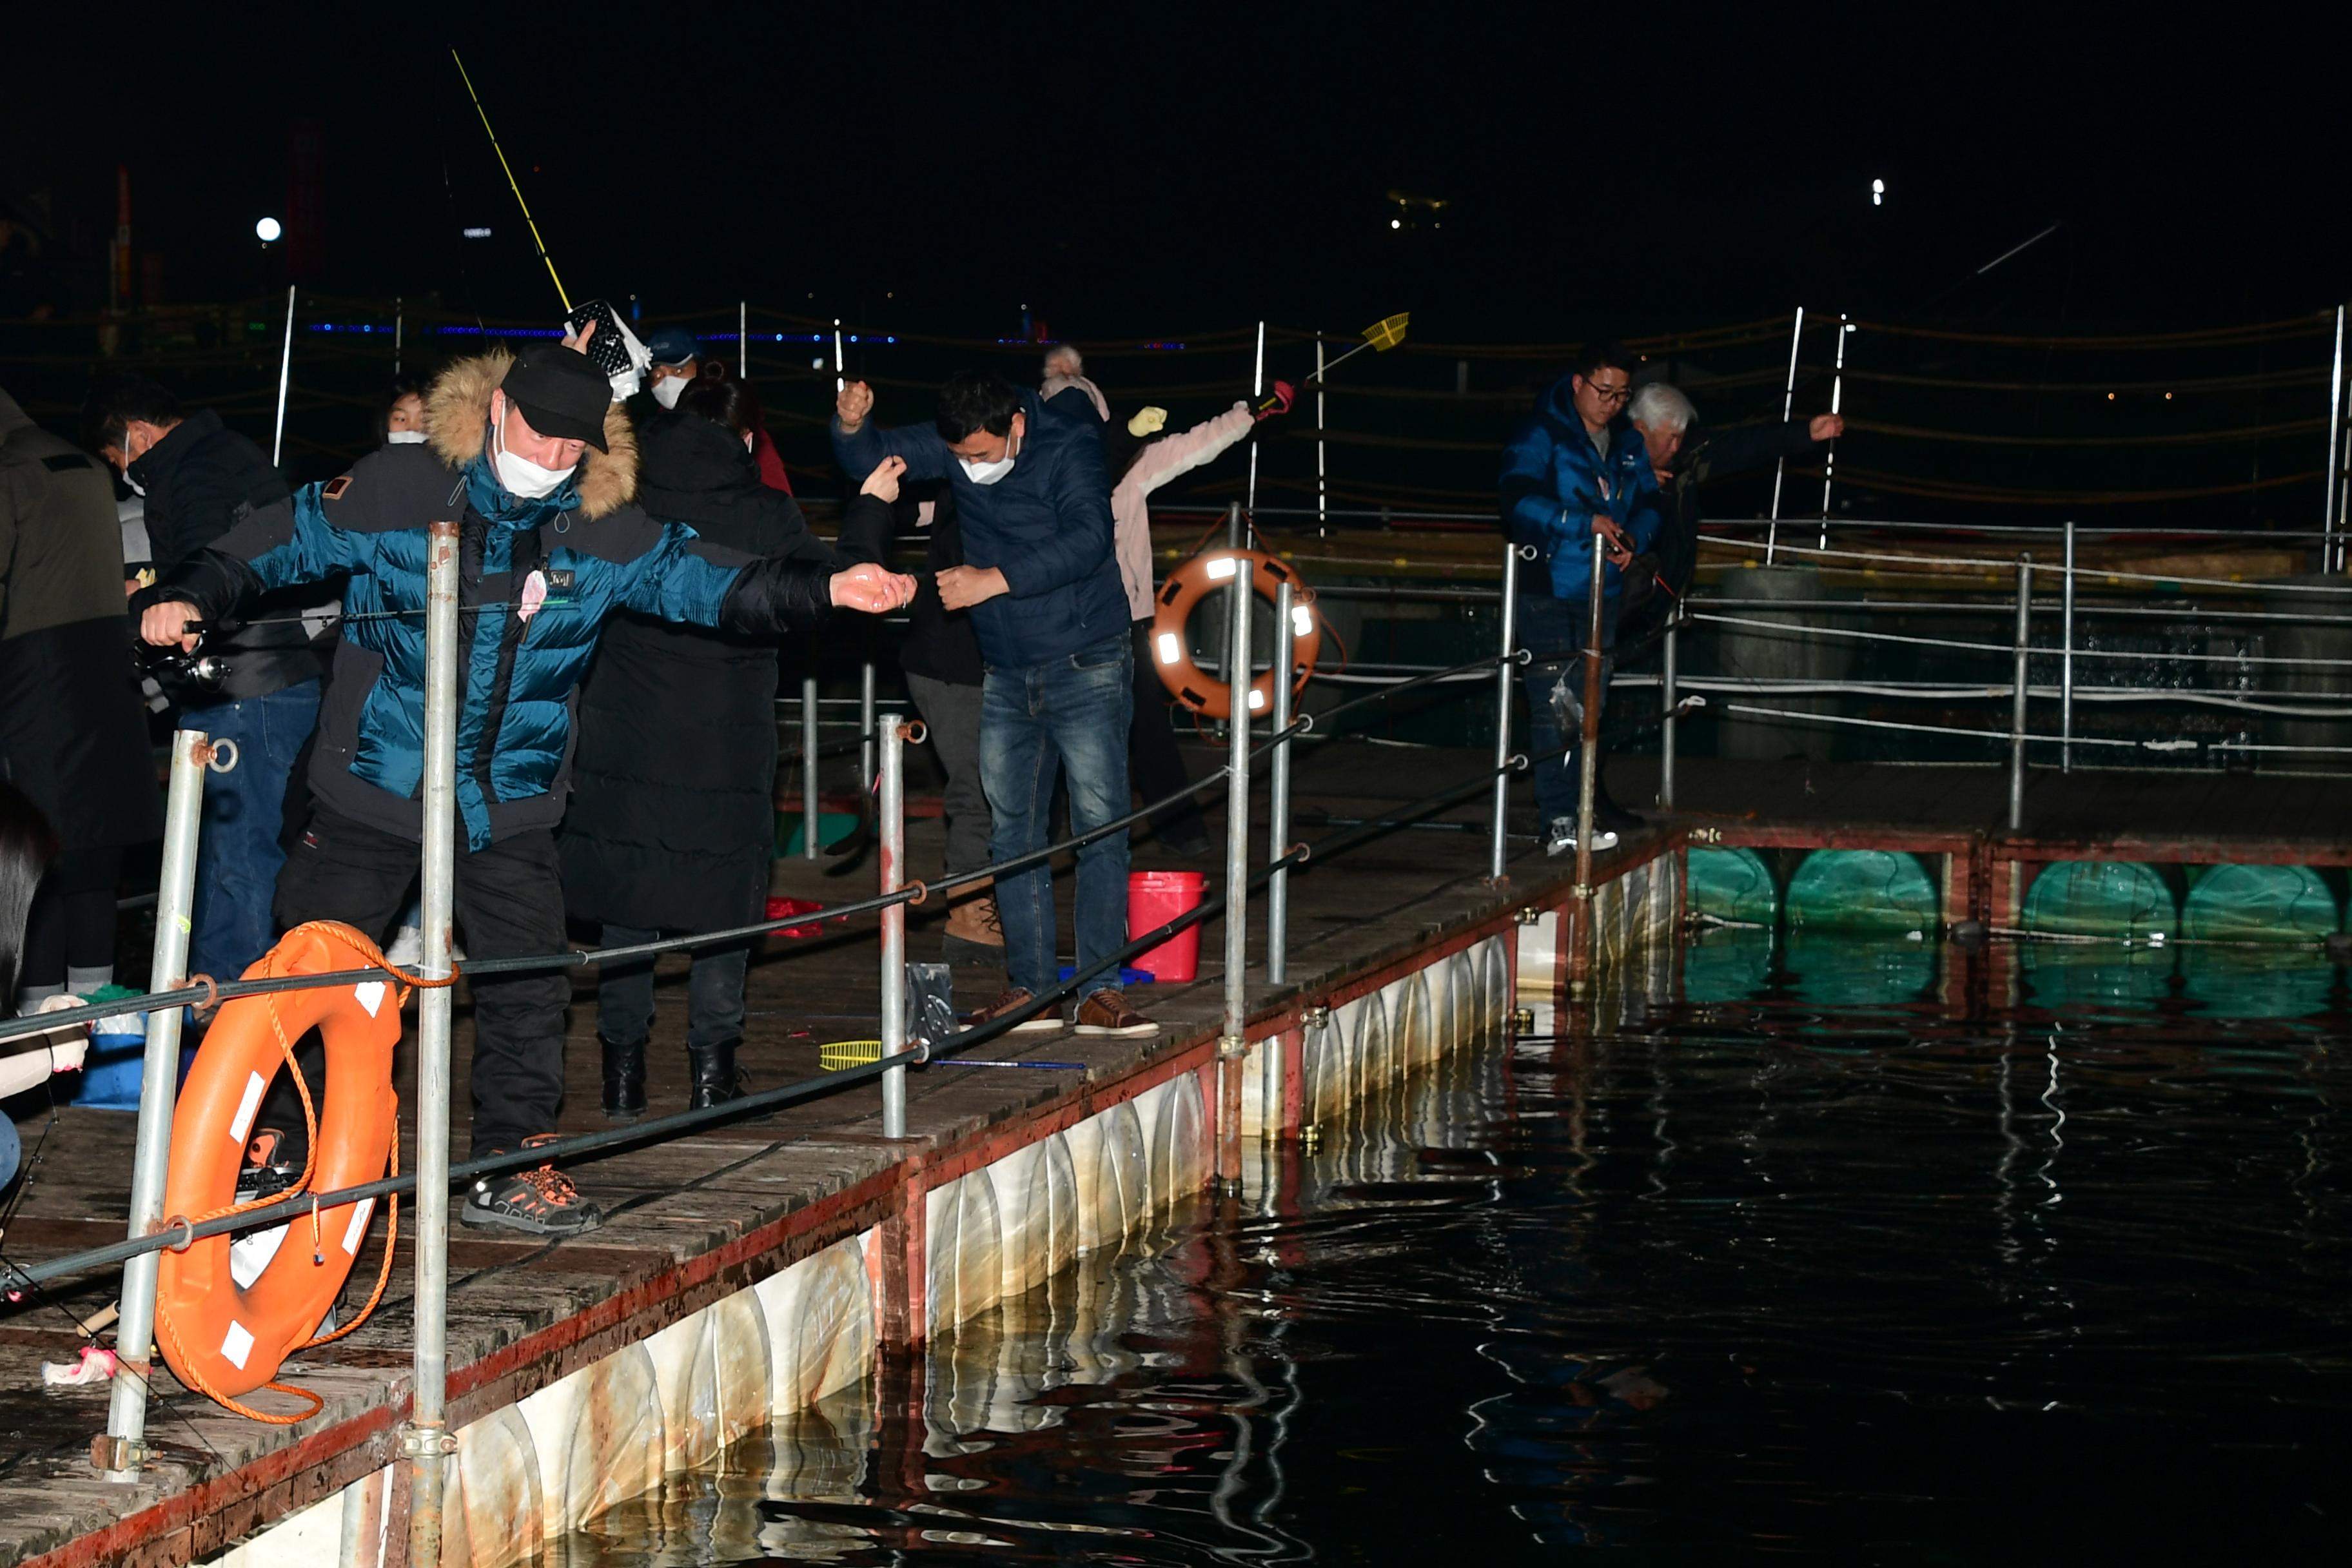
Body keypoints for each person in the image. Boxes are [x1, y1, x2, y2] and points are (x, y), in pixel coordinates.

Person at [138, 334, 915, 1236]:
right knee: (313, 973)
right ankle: (275, 1147)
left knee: (529, 985)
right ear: (498, 410)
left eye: (570, 443)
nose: (552, 456)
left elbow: (708, 579)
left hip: (506, 801)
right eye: (538, 433)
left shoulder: (606, 524)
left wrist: (829, 586)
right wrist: (191, 592)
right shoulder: (402, 486)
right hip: (371, 788)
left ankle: (512, 1165)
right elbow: (275, 541)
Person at [561, 377, 892, 1119]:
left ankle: (623, 1079)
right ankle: (712, 1077)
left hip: (626, 731)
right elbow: (836, 587)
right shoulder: (764, 512)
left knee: (627, 904)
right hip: (726, 742)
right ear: (747, 440)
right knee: (723, 907)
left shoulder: (627, 499)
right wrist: (869, 504)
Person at [833, 371, 1157, 1039]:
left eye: (981, 454)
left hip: (1087, 659)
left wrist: (993, 580)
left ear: (1015, 423)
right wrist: (852, 426)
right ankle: (1033, 987)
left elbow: (1090, 538)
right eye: (960, 458)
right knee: (1013, 834)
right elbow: (873, 462)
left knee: (1099, 826)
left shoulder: (1070, 443)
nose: (970, 468)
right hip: (1006, 670)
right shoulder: (957, 442)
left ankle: (1099, 989)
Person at [81, 374, 324, 993]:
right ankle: (225, 1005)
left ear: (135, 435)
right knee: (226, 856)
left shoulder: (194, 472)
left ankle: (231, 1015)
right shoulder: (217, 456)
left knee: (238, 861)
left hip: (248, 687)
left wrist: (144, 601)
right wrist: (155, 587)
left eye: (116, 458)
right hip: (258, 683)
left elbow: (208, 575)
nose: (121, 472)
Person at [0, 387, 162, 1011]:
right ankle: (97, 1022)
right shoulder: (83, 465)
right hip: (102, 672)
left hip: (30, 677)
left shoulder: (9, 470)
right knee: (92, 854)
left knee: (29, 856)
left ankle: (37, 1028)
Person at [1498, 341, 1661, 856]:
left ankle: (1581, 813)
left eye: (1622, 395)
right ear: (1578, 384)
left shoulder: (1629, 444)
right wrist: (1578, 524)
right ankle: (1558, 822)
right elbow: (1514, 498)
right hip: (1548, 587)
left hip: (1602, 591)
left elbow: (1652, 503)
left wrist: (1633, 539)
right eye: (1604, 392)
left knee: (1593, 706)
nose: (1612, 403)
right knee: (1554, 706)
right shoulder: (1542, 433)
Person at [1109, 396, 1291, 853]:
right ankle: (1044, 847)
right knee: (1058, 736)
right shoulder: (1026, 461)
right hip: (1059, 621)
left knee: (1146, 726)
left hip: (1122, 619)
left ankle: (1180, 828)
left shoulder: (1131, 464)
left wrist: (1246, 414)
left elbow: (1197, 445)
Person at [883, 475, 1003, 964]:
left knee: (998, 792)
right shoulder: (971, 487)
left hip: (978, 661)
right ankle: (969, 915)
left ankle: (984, 903)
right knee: (975, 791)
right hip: (950, 663)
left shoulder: (998, 480)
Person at [1620, 382, 1843, 642]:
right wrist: (1636, 479)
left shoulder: (1687, 457)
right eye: (1670, 437)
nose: (1675, 447)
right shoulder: (1609, 458)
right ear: (1641, 430)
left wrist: (1805, 433)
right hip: (1613, 602)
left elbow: (1742, 446)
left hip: (1655, 606)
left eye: (1681, 436)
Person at [640, 326, 796, 495]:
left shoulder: (735, 426)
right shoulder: (650, 435)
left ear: (701, 369)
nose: (667, 381)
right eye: (657, 376)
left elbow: (777, 495)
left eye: (679, 370)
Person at [1041, 344, 1109, 424]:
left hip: (1061, 433)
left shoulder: (1049, 385)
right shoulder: (1088, 383)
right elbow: (1105, 416)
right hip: (1089, 431)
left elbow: (1042, 415)